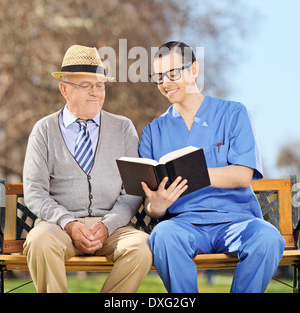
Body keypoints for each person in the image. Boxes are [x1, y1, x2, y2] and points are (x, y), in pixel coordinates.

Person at [139, 41, 285, 293]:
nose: (165, 83)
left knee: (269, 238)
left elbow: (242, 175)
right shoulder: (153, 131)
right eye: (158, 77)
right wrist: (157, 206)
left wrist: (194, 173)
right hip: (184, 224)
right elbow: (150, 206)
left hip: (237, 221)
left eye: (173, 73)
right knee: (163, 235)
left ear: (194, 69)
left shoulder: (234, 113)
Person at [23, 45, 152, 293]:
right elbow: (35, 191)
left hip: (112, 227)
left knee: (143, 246)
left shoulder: (123, 128)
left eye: (100, 85)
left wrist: (108, 225)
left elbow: (133, 190)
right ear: (64, 89)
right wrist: (69, 223)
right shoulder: (44, 130)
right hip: (58, 227)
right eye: (85, 85)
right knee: (38, 241)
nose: (95, 92)